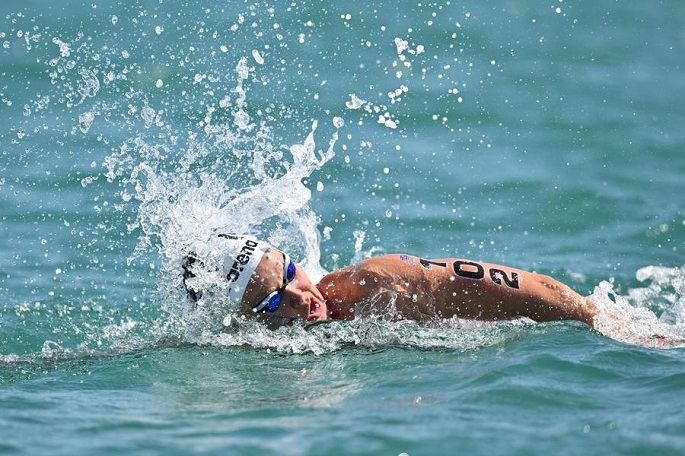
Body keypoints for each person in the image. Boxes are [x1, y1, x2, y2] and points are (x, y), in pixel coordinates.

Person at [181, 233, 600, 329]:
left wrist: (593, 316)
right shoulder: (229, 343)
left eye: (291, 273)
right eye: (273, 302)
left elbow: (516, 286)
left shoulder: (372, 288)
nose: (301, 297)